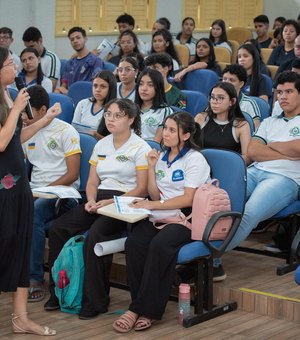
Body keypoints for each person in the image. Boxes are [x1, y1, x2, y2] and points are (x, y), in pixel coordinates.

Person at [44, 98, 151, 319]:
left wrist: (110, 203)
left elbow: (141, 189)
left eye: (117, 115)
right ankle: (58, 290)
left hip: (124, 202)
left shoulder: (140, 147)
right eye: (108, 114)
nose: (110, 119)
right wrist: (91, 200)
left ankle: (97, 301)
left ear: (130, 119)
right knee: (58, 228)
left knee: (95, 237)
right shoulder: (101, 144)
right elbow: (92, 181)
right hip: (98, 198)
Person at [112, 111, 211, 333]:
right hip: (160, 215)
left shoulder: (195, 159)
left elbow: (187, 198)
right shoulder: (162, 157)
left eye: (172, 130)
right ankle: (140, 306)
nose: (165, 133)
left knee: (159, 246)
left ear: (185, 135)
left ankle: (144, 310)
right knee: (134, 244)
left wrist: (151, 205)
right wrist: (151, 166)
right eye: (165, 128)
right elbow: (154, 195)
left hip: (185, 219)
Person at [0, 46, 60, 335]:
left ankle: (21, 318)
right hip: (2, 186)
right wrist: (14, 110)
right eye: (10, 63)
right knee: (3, 246)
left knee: (21, 247)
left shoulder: (8, 95)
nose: (15, 67)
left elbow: (15, 138)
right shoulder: (10, 101)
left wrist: (44, 121)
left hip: (19, 182)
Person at [223, 71, 300, 254]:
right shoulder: (269, 121)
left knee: (249, 213)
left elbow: (298, 149)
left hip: (284, 179)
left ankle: (210, 258)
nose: (283, 97)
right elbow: (253, 151)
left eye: (289, 92)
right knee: (222, 202)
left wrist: (271, 146)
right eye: (279, 92)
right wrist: (287, 151)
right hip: (255, 171)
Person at [22, 85, 81, 302]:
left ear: (43, 110)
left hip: (63, 195)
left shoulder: (66, 131)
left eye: (27, 111)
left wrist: (41, 192)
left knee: (34, 213)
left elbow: (73, 174)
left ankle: (35, 278)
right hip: (35, 190)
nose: (22, 116)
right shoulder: (27, 132)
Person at [194, 82, 251, 164]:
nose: (214, 102)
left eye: (220, 98)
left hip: (227, 169)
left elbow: (247, 157)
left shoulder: (241, 125)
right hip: (200, 166)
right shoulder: (201, 118)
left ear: (232, 101)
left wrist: (224, 165)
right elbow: (189, 145)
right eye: (212, 97)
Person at [55, 27, 104, 95]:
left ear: (85, 39)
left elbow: (96, 86)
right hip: (69, 98)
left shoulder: (95, 60)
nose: (75, 41)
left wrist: (70, 93)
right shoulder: (70, 63)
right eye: (72, 39)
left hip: (87, 97)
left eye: (78, 37)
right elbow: (63, 86)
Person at [72, 70, 117, 139]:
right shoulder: (83, 104)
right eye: (95, 86)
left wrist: (96, 136)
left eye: (103, 86)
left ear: (111, 89)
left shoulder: (116, 109)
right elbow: (73, 128)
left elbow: (115, 140)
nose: (98, 90)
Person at [135, 68, 173, 142]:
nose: (144, 88)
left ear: (158, 88)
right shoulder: (131, 109)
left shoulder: (164, 111)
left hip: (150, 151)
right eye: (141, 84)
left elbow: (156, 143)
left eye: (150, 85)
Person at [222, 64, 261, 129]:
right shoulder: (215, 100)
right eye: (224, 79)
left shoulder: (249, 103)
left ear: (241, 84)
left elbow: (256, 129)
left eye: (231, 80)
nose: (226, 83)